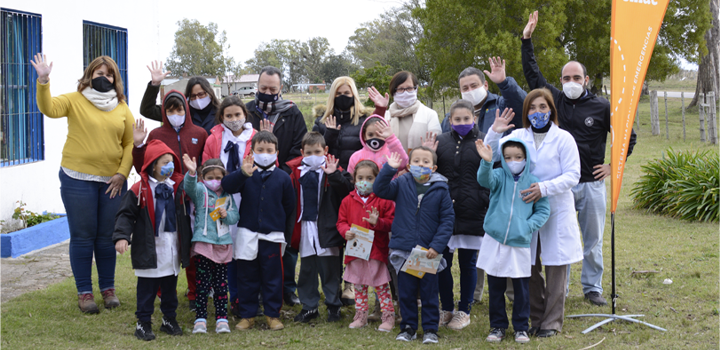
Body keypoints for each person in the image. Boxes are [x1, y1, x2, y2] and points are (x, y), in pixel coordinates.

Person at [521, 11, 637, 306]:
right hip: (559, 186)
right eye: (566, 78)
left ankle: (592, 287)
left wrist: (613, 166)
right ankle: (563, 287)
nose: (571, 81)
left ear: (586, 79)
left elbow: (628, 137)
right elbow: (533, 74)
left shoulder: (602, 106)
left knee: (593, 240)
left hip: (591, 184)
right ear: (560, 81)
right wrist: (527, 40)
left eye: (576, 77)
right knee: (558, 239)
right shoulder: (555, 100)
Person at [32, 54, 132, 313]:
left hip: (112, 182)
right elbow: (49, 108)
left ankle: (108, 290)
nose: (104, 78)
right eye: (99, 73)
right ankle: (84, 293)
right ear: (89, 76)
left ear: (115, 79)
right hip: (77, 179)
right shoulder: (75, 100)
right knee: (83, 237)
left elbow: (130, 143)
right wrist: (43, 81)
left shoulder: (122, 107)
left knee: (106, 238)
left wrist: (122, 172)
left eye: (109, 74)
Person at [484, 89, 582, 337]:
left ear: (551, 109)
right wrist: (495, 131)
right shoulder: (517, 135)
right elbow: (489, 154)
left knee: (556, 266)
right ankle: (535, 317)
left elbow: (573, 175)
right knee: (527, 266)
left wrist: (544, 188)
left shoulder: (564, 139)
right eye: (532, 108)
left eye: (543, 107)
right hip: (523, 211)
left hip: (556, 208)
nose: (538, 112)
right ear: (526, 112)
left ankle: (551, 322)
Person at [132, 89, 207, 312]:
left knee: (193, 247)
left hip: (192, 198)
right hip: (165, 199)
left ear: (186, 109)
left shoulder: (200, 133)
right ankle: (165, 292)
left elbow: (206, 164)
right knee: (165, 244)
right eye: (171, 110)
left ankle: (195, 293)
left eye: (180, 109)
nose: (176, 113)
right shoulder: (156, 135)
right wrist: (138, 146)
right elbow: (143, 167)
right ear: (164, 112)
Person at [373, 148, 454, 344]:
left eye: (425, 162)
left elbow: (447, 220)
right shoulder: (401, 183)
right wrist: (388, 169)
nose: (420, 165)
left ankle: (430, 329)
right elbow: (379, 189)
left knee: (429, 293)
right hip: (404, 251)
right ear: (409, 166)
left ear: (433, 168)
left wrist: (437, 246)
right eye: (416, 161)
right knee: (406, 292)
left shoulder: (441, 189)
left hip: (428, 253)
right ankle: (408, 327)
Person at [475, 138, 550, 344]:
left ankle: (520, 327)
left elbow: (543, 210)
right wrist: (487, 162)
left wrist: (527, 226)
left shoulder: (533, 182)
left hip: (519, 242)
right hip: (495, 240)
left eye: (518, 157)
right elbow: (484, 180)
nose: (513, 161)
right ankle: (497, 326)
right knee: (496, 285)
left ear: (526, 158)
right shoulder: (498, 175)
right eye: (507, 157)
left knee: (521, 288)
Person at [113, 140, 190, 341]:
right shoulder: (140, 189)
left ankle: (169, 319)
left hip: (172, 245)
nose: (170, 166)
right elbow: (126, 215)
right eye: (165, 162)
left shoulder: (178, 186)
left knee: (169, 288)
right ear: (153, 165)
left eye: (172, 161)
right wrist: (122, 236)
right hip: (149, 246)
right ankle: (143, 322)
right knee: (146, 289)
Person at [220, 131, 296, 331]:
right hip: (247, 233)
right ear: (252, 151)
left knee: (273, 277)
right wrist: (242, 173)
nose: (264, 153)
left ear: (276, 152)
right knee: (246, 277)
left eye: (269, 150)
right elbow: (226, 186)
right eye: (260, 150)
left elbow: (290, 207)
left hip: (273, 235)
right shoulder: (246, 174)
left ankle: (273, 315)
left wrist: (284, 234)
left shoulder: (283, 178)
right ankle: (247, 315)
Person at [245, 66, 307, 306]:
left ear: (280, 88)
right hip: (251, 184)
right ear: (257, 87)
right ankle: (257, 289)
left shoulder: (292, 113)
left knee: (285, 238)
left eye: (272, 88)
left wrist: (278, 175)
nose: (267, 92)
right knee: (254, 240)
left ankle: (287, 288)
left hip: (283, 183)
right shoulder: (247, 111)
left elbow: (297, 150)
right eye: (263, 88)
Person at [427, 99, 488, 331]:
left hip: (472, 211)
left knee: (468, 262)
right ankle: (447, 307)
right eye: (457, 119)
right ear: (449, 120)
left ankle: (465, 309)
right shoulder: (440, 141)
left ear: (474, 118)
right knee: (442, 261)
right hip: (444, 213)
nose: (462, 123)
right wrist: (430, 155)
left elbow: (490, 173)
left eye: (466, 118)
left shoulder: (482, 140)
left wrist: (483, 199)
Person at [287, 132, 353, 323]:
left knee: (330, 269)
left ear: (325, 150)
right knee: (307, 269)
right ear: (302, 152)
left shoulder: (334, 169)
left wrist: (335, 176)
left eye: (317, 151)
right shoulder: (296, 172)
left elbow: (346, 193)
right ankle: (309, 306)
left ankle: (333, 305)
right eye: (308, 152)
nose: (313, 156)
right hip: (306, 226)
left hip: (327, 227)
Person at [202, 96, 257, 315]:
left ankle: (250, 295)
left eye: (237, 115)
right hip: (223, 200)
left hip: (250, 198)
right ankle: (232, 297)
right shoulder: (215, 138)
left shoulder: (254, 137)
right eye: (229, 116)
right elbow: (205, 169)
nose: (234, 119)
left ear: (245, 114)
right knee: (228, 248)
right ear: (221, 117)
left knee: (247, 248)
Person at [337, 160, 396, 332]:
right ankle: (360, 315)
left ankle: (388, 316)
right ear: (354, 180)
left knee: (381, 285)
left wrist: (378, 222)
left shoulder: (384, 200)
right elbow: (341, 221)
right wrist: (345, 231)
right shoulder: (347, 201)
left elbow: (391, 223)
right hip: (356, 252)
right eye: (360, 178)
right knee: (359, 285)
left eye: (370, 178)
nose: (365, 181)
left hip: (376, 250)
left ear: (377, 179)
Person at [182, 156, 239, 334]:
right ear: (203, 177)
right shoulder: (200, 190)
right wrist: (191, 173)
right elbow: (188, 187)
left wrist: (225, 215)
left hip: (222, 244)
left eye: (218, 177)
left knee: (221, 284)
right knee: (203, 284)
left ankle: (222, 319)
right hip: (203, 244)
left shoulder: (227, 195)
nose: (214, 181)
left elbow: (234, 217)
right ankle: (201, 319)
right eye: (210, 178)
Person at [313, 76, 387, 170]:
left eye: (347, 93)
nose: (342, 96)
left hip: (357, 176)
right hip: (328, 177)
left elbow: (376, 144)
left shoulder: (364, 120)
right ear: (332, 95)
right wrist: (330, 135)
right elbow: (313, 151)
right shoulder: (322, 120)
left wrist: (380, 110)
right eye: (338, 93)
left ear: (353, 94)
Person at [440, 60, 526, 135]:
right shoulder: (451, 117)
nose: (470, 91)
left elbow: (523, 105)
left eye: (474, 86)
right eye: (465, 88)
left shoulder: (501, 105)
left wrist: (504, 83)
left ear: (485, 85)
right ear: (460, 91)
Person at [140, 61, 220, 134]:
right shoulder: (180, 111)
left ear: (209, 93)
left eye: (201, 94)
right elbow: (147, 110)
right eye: (193, 96)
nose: (197, 99)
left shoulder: (221, 112)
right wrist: (155, 84)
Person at [373, 71, 442, 152]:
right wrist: (379, 110)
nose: (405, 92)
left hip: (419, 164)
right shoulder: (386, 115)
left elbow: (436, 144)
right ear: (393, 92)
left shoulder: (429, 114)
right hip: (390, 163)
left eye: (409, 88)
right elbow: (372, 137)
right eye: (401, 89)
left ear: (416, 89)